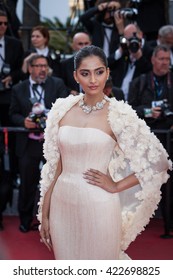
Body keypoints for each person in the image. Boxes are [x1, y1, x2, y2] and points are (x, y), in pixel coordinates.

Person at [37, 45, 171, 260]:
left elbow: (159, 162)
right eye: (85, 73)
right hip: (62, 205)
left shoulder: (119, 114)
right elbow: (56, 167)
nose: (93, 80)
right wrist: (45, 213)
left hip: (99, 206)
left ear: (108, 73)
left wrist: (117, 185)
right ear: (75, 76)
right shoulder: (62, 110)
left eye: (99, 72)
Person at [9, 54, 68, 233]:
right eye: (38, 66)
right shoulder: (19, 89)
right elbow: (13, 113)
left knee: (54, 184)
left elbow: (64, 108)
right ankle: (25, 219)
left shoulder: (57, 84)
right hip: (28, 144)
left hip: (52, 143)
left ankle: (54, 223)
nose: (43, 69)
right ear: (30, 68)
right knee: (27, 183)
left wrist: (51, 119)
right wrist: (23, 122)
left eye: (45, 66)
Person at [128, 44, 173, 233]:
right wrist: (147, 112)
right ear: (153, 59)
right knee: (143, 181)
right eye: (161, 59)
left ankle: (169, 225)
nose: (165, 63)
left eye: (167, 60)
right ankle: (134, 224)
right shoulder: (140, 81)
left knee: (169, 183)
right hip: (146, 140)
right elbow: (129, 108)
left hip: (169, 138)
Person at [0, 9, 24, 230]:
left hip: (7, 102)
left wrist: (11, 77)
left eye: (5, 23)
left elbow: (20, 70)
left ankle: (11, 181)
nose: (3, 27)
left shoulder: (14, 44)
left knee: (10, 150)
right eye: (0, 23)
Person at [108, 22, 153, 101]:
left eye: (133, 37)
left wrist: (139, 57)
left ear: (141, 35)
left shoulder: (150, 51)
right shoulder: (124, 50)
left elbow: (150, 71)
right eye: (128, 39)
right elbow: (107, 64)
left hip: (137, 97)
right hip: (119, 96)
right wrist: (120, 51)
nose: (132, 41)